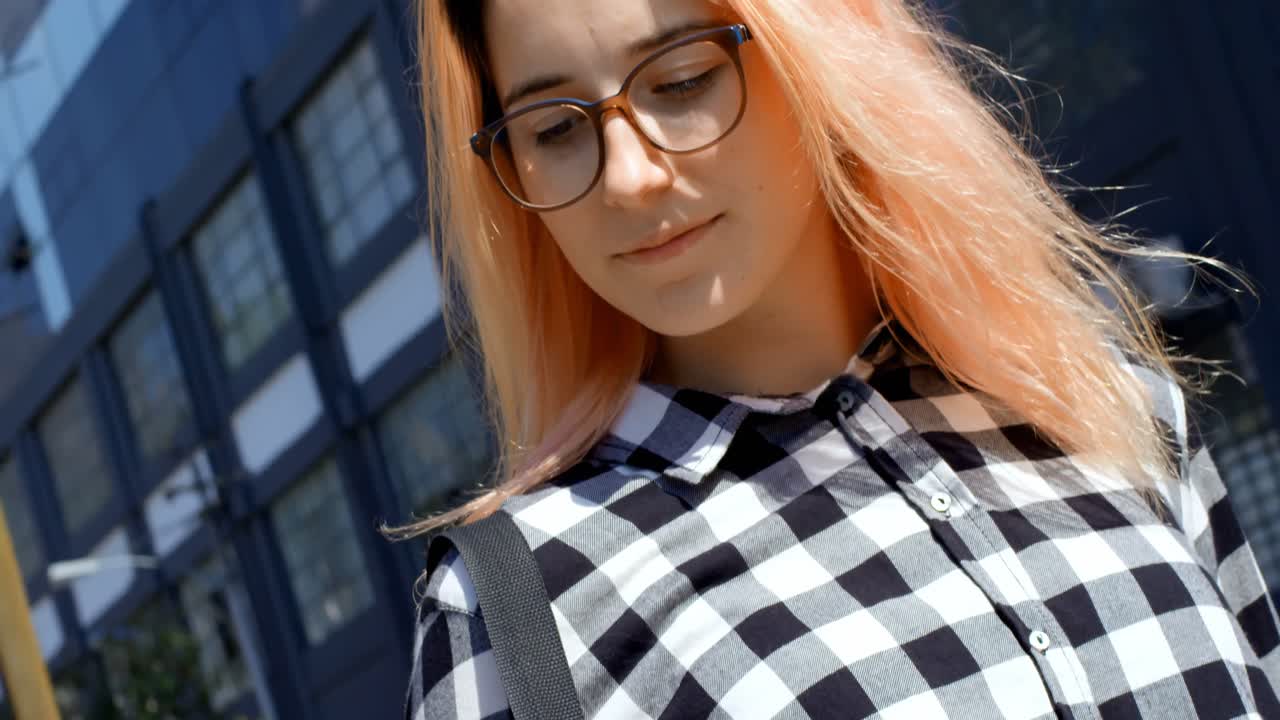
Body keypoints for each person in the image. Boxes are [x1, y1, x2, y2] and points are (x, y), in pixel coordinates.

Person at [393, 0, 1280, 717]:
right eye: (553, 129)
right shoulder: (519, 613)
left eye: (683, 79)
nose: (627, 176)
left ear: (818, 50)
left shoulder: (1103, 403)